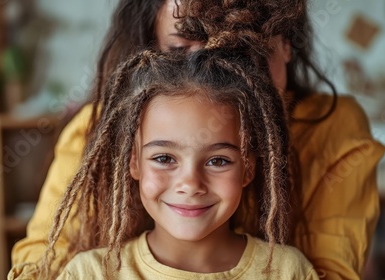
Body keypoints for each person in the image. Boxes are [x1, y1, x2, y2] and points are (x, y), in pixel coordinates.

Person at [9, 0, 385, 279]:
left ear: (285, 41)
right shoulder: (108, 128)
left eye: (242, 50)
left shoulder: (335, 129)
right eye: (181, 52)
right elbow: (45, 260)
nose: (212, 74)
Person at [38, 44, 318, 279]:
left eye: (218, 161)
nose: (190, 184)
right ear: (134, 162)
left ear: (248, 168)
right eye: (164, 158)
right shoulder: (91, 274)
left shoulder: (287, 271)